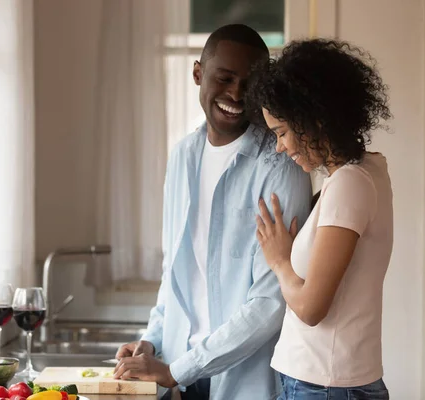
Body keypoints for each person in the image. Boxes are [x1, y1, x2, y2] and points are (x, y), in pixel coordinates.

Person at [112, 24, 312, 400]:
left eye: (250, 84)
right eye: (225, 78)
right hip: (180, 380)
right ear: (198, 74)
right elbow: (175, 273)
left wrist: (175, 370)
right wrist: (151, 342)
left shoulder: (281, 164)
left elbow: (271, 302)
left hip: (245, 385)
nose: (236, 94)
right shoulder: (182, 156)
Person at [250, 39, 393, 400]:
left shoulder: (350, 184)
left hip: (324, 387)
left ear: (312, 119)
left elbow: (312, 308)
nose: (280, 147)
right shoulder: (366, 170)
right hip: (325, 383)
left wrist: (280, 261)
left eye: (281, 132)